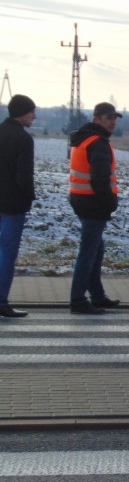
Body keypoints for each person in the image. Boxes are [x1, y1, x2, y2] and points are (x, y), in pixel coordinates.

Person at [68, 102, 122, 314]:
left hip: (81, 200)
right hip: (93, 204)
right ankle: (78, 299)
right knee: (89, 253)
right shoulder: (98, 143)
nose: (113, 122)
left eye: (114, 119)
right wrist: (111, 203)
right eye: (109, 118)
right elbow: (100, 180)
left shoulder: (83, 138)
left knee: (96, 250)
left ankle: (97, 296)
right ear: (97, 118)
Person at [0, 95, 37, 318]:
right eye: (31, 111)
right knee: (7, 253)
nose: (34, 116)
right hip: (13, 204)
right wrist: (29, 198)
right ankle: (1, 301)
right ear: (22, 112)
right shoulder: (23, 139)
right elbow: (24, 177)